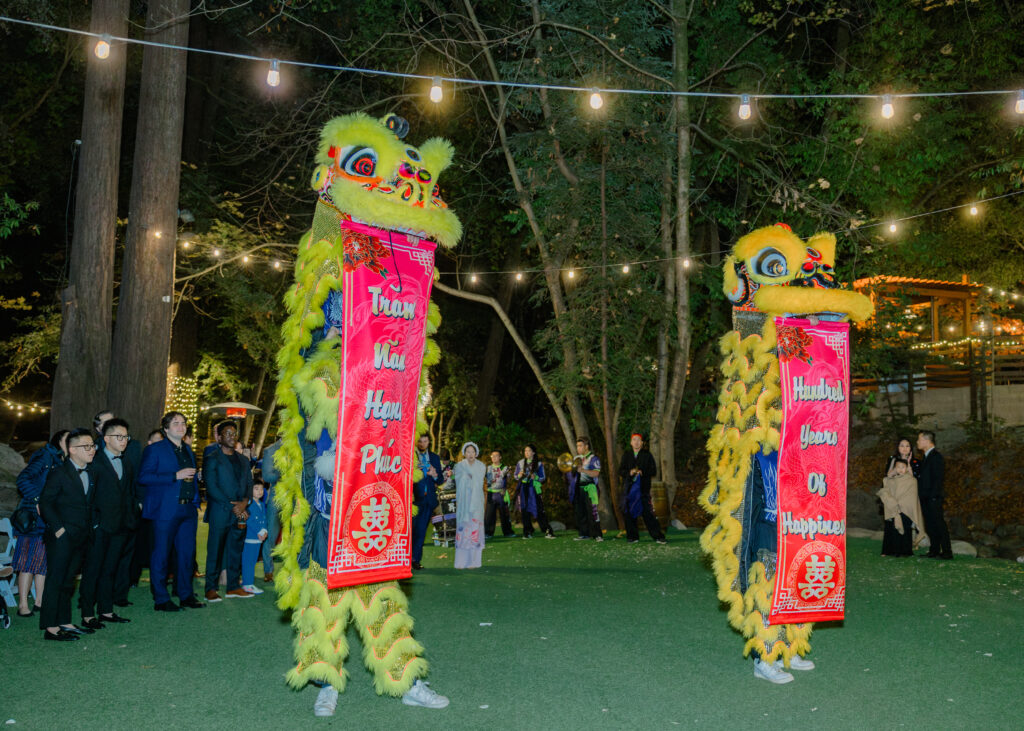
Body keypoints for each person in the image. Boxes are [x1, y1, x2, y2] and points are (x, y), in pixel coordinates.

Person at [139, 411, 204, 611]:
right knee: (161, 554)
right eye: (175, 423)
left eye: (183, 423)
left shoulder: (188, 450)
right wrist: (174, 475)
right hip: (165, 510)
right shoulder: (155, 450)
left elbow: (189, 478)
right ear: (165, 428)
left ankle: (185, 595)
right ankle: (161, 599)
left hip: (188, 509)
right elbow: (144, 477)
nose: (181, 426)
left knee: (186, 554)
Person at [37, 428, 97, 641]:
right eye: (86, 446)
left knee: (68, 582)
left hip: (81, 537)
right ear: (72, 450)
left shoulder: (89, 472)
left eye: (93, 446)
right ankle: (50, 627)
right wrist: (59, 530)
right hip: (61, 537)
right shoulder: (59, 472)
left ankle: (64, 621)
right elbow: (45, 502)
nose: (92, 450)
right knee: (56, 580)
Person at [78, 418, 137, 629]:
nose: (123, 441)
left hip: (121, 526)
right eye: (119, 437)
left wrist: (131, 518)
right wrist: (93, 523)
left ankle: (106, 610)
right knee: (92, 570)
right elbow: (87, 493)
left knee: (110, 570)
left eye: (126, 437)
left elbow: (129, 493)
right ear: (106, 439)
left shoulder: (127, 461)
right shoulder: (94, 461)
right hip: (99, 527)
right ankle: (87, 614)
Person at [12, 429, 68, 617]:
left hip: (50, 518)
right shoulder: (45, 456)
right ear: (60, 441)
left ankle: (40, 601)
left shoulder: (63, 461)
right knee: (28, 562)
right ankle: (22, 605)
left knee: (43, 562)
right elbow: (23, 478)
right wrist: (37, 500)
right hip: (32, 519)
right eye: (69, 440)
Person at [92, 410, 143, 610]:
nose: (122, 439)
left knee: (121, 560)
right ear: (100, 430)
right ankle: (92, 603)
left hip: (126, 516)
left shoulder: (131, 450)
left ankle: (117, 598)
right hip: (102, 521)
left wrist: (137, 503)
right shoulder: (92, 452)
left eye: (124, 436)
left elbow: (135, 479)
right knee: (98, 563)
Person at [203, 420, 254, 601]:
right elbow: (211, 487)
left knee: (235, 549)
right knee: (215, 551)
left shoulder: (243, 460)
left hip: (240, 513)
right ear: (219, 437)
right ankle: (211, 588)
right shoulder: (212, 458)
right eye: (228, 434)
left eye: (234, 434)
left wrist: (245, 502)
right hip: (220, 511)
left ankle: (233, 586)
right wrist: (235, 506)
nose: (232, 437)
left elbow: (249, 483)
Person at [617, 432, 667, 544]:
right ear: (631, 442)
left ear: (642, 443)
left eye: (639, 440)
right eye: (634, 440)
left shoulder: (647, 455)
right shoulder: (627, 455)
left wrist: (642, 472)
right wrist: (630, 472)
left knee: (647, 513)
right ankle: (632, 537)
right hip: (629, 490)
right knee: (628, 513)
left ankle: (658, 536)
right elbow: (621, 471)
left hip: (643, 490)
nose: (636, 442)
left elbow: (653, 470)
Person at [916, 430, 952, 560]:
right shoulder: (925, 457)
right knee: (930, 525)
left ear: (927, 441)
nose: (917, 442)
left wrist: (933, 497)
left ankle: (947, 552)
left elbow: (938, 479)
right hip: (926, 497)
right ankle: (934, 550)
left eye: (919, 439)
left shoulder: (936, 457)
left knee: (939, 524)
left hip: (933, 497)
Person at [878, 459, 923, 557]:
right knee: (894, 530)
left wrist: (902, 504)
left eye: (903, 467)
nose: (901, 469)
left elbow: (912, 496)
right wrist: (893, 503)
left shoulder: (912, 481)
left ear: (907, 468)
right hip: (894, 509)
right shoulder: (892, 480)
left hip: (906, 509)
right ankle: (893, 551)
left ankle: (906, 551)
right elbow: (887, 490)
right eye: (898, 467)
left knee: (906, 531)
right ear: (895, 468)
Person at [411, 435, 444, 571]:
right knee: (410, 531)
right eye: (420, 441)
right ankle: (402, 561)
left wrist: (434, 474)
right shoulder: (411, 455)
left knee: (421, 531)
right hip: (413, 500)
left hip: (428, 500)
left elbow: (440, 480)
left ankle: (415, 560)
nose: (422, 444)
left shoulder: (435, 458)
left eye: (425, 441)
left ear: (429, 442)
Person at [453, 442, 486, 569]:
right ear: (464, 453)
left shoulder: (481, 466)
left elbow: (478, 481)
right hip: (464, 505)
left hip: (476, 504)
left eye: (473, 452)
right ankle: (461, 562)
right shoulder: (459, 466)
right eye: (468, 452)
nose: (471, 454)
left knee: (475, 532)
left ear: (476, 453)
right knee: (463, 532)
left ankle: (475, 562)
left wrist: (470, 477)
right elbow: (459, 481)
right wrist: (466, 478)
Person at [513, 444, 555, 539]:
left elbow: (543, 478)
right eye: (525, 451)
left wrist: (535, 477)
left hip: (534, 488)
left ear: (533, 452)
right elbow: (515, 476)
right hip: (524, 488)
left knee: (539, 509)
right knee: (524, 510)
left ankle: (548, 530)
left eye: (529, 451)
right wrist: (519, 475)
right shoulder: (520, 463)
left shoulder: (538, 464)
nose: (527, 453)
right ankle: (527, 531)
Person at [568, 436, 603, 541]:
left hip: (590, 487)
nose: (578, 448)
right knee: (580, 512)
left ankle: (597, 534)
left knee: (592, 512)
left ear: (586, 446)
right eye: (577, 446)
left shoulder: (593, 458)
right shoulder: (576, 459)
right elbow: (572, 474)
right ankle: (584, 534)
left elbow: (596, 473)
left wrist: (583, 470)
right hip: (578, 488)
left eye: (580, 446)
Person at [259, 439, 282, 583]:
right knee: (271, 535)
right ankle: (268, 570)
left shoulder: (301, 446)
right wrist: (284, 473)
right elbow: (267, 476)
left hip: (297, 498)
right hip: (276, 498)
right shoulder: (271, 450)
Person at [241, 479, 269, 595]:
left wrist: (265, 530)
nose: (260, 492)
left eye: (261, 489)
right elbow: (250, 521)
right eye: (256, 489)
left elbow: (264, 519)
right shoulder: (249, 504)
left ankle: (247, 582)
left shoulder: (261, 504)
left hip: (259, 538)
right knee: (249, 561)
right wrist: (259, 531)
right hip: (251, 537)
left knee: (252, 561)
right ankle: (247, 584)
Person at [483, 449, 515, 538]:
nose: (494, 457)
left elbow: (508, 479)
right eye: (492, 456)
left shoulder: (504, 468)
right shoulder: (488, 468)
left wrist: (508, 474)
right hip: (491, 493)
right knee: (489, 515)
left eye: (496, 455)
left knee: (504, 514)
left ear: (500, 457)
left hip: (501, 493)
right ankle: (488, 533)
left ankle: (508, 532)